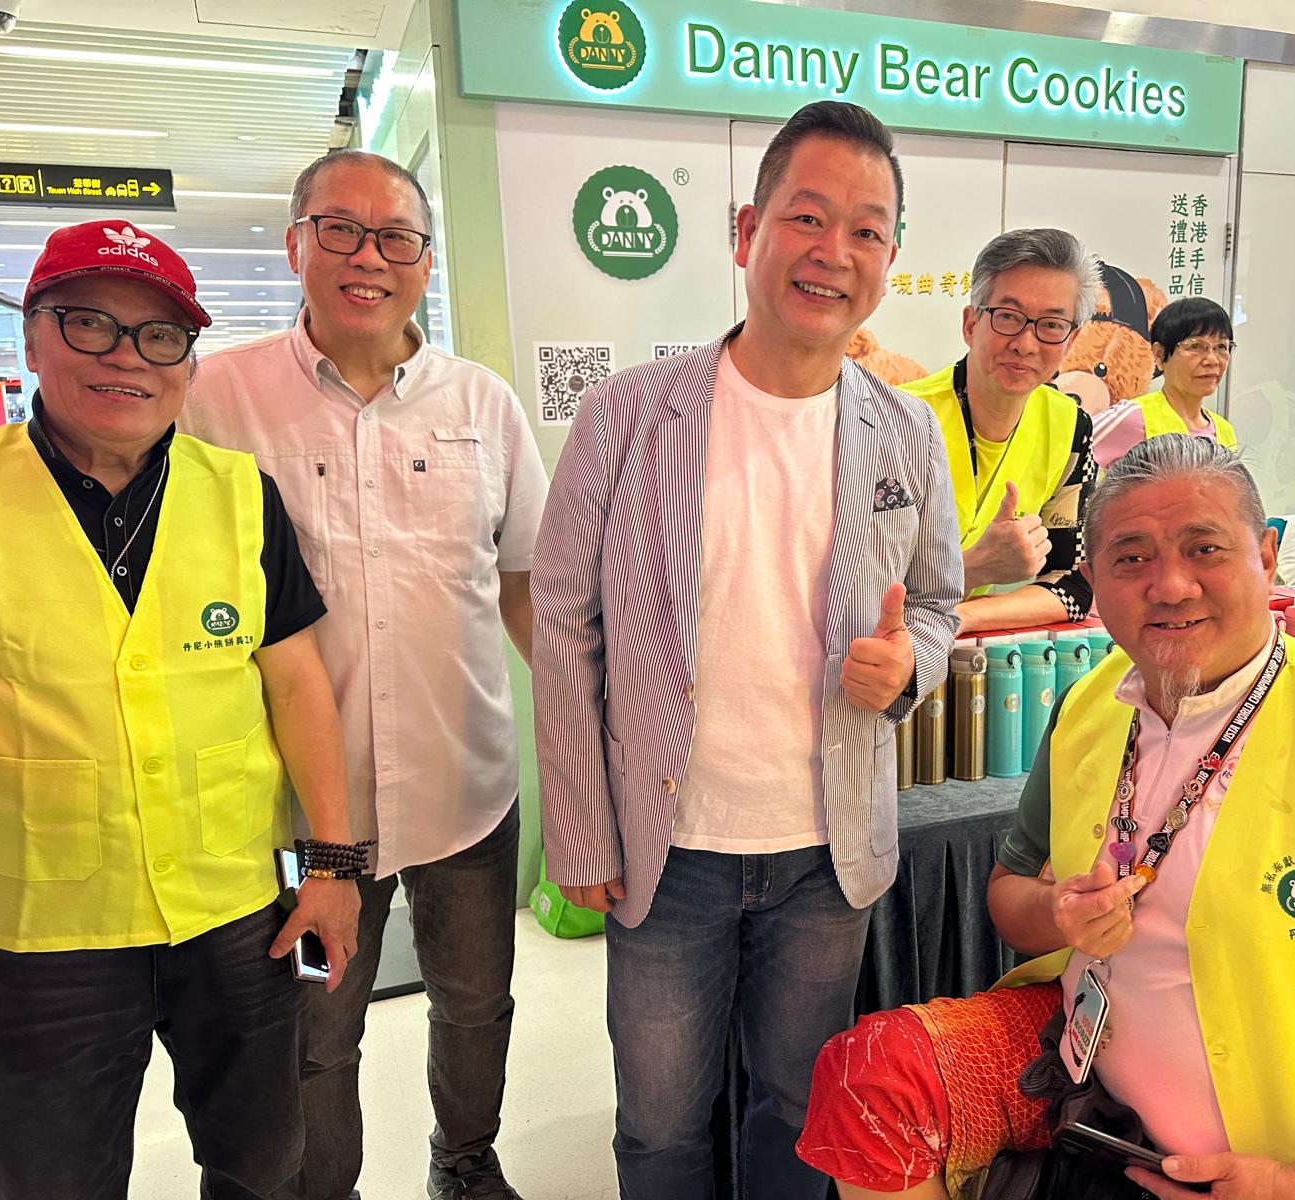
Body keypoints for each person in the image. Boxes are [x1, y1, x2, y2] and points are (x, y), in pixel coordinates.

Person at [799, 435, 1295, 1200]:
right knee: (872, 1082)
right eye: (1131, 558)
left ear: (1266, 556)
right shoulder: (1090, 706)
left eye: (1204, 549)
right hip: (1090, 1104)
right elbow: (1010, 897)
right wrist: (1061, 915)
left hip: (1287, 1174)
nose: (1171, 586)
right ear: (1092, 581)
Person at [532, 100, 963, 1199]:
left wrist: (908, 666)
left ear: (890, 260)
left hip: (826, 852)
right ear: (745, 231)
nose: (833, 252)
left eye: (866, 231)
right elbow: (565, 625)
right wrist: (578, 826)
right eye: (806, 218)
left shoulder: (907, 431)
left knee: (798, 1110)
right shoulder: (627, 416)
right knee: (660, 1125)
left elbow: (937, 604)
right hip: (668, 846)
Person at [0, 219, 361, 1200]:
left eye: (159, 336)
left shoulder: (240, 493)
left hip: (242, 911)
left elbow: (298, 683)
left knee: (265, 1162)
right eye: (89, 323)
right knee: (56, 1180)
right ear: (32, 340)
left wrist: (333, 867)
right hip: (42, 929)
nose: (126, 356)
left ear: (188, 366)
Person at [183, 149, 547, 1200]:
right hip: (303, 819)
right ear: (295, 244)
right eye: (339, 230)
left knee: (475, 1002)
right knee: (317, 1025)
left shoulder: (482, 403)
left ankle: (464, 1162)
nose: (368, 258)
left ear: (426, 262)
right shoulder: (217, 399)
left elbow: (526, 586)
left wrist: (590, 732)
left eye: (396, 238)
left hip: (467, 795)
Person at [900, 229, 1100, 635]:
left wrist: (963, 616)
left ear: (1071, 340)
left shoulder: (1070, 426)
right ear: (971, 323)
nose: (1025, 344)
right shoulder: (896, 418)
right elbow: (848, 589)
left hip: (962, 650)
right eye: (1008, 317)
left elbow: (1071, 584)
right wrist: (975, 567)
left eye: (1051, 325)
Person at [1091, 297, 1238, 471]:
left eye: (1221, 346)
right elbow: (1073, 444)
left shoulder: (1224, 430)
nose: (1212, 360)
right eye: (1196, 346)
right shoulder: (1133, 417)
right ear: (1160, 355)